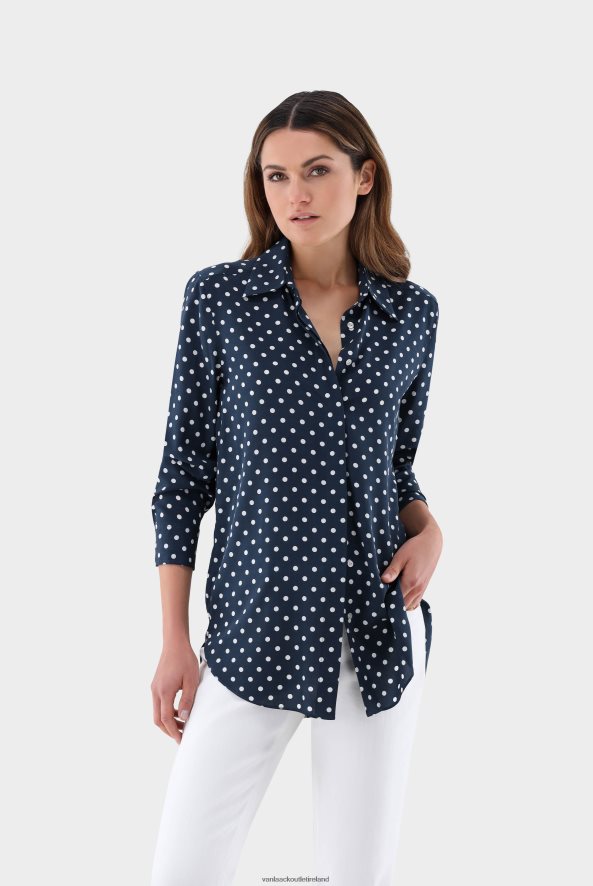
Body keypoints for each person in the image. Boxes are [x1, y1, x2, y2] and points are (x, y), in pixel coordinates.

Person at [149, 90, 443, 886]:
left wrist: (429, 529)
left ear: (364, 177)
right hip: (256, 628)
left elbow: (391, 467)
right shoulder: (220, 300)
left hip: (376, 630)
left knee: (357, 876)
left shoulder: (410, 314)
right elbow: (181, 476)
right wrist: (174, 639)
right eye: (275, 176)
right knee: (183, 871)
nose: (295, 195)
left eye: (316, 171)